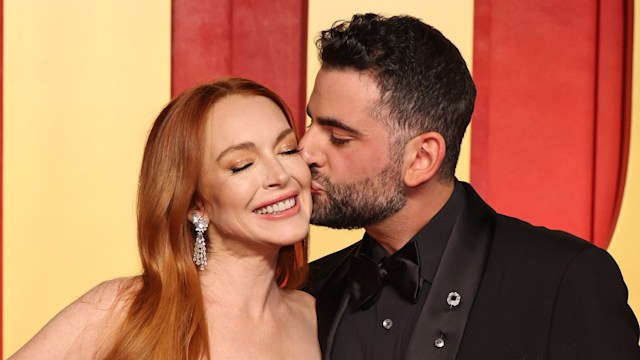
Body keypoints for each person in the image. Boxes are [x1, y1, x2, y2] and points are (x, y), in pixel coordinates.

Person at [300, 13, 640, 360]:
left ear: (421, 159)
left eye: (339, 137)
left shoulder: (563, 281)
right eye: (311, 122)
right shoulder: (309, 290)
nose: (305, 150)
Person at [10, 78, 321, 360]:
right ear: (195, 204)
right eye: (241, 165)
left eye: (287, 149)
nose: (280, 175)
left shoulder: (319, 317)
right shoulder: (123, 310)